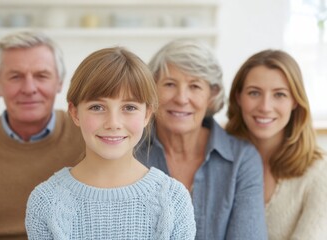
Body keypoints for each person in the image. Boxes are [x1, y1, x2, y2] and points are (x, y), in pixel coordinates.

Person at [25, 46, 196, 239]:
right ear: (74, 113)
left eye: (129, 107)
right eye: (97, 107)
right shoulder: (45, 201)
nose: (113, 123)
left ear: (147, 114)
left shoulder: (173, 199)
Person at [135, 38, 268, 239]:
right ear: (151, 90)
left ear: (212, 95)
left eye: (195, 86)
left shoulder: (242, 159)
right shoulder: (131, 153)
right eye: (170, 84)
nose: (181, 98)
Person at [0, 31, 85, 239]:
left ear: (59, 83)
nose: (29, 88)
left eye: (41, 76)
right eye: (15, 77)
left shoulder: (88, 136)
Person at [225, 49, 327, 240]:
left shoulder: (320, 171)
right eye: (254, 93)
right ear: (238, 97)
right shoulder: (219, 157)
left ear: (295, 101)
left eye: (279, 95)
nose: (265, 106)